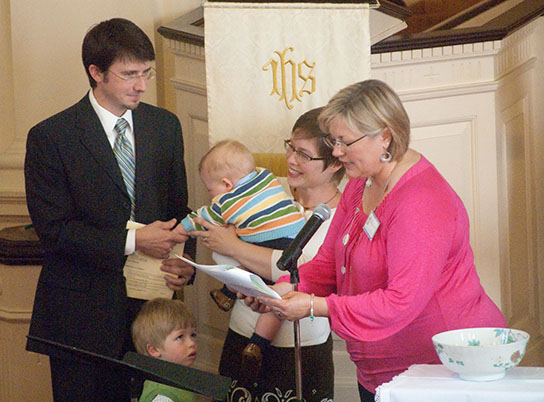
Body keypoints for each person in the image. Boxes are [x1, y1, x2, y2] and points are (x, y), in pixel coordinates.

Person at [251, 79, 507, 402]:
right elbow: (329, 264)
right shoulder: (361, 183)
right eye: (333, 140)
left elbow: (401, 301)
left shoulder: (421, 202)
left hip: (441, 370)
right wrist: (283, 291)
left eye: (345, 142)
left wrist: (316, 307)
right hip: (380, 371)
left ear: (384, 136)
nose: (336, 152)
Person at [24, 18, 195, 402]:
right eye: (129, 74)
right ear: (96, 72)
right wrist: (134, 241)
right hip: (81, 317)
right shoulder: (51, 137)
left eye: (146, 73)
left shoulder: (165, 126)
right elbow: (53, 231)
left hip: (153, 314)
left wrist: (188, 262)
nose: (141, 85)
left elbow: (178, 210)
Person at [189, 108, 344, 402]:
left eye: (304, 155)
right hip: (243, 330)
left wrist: (234, 246)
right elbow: (221, 243)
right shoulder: (266, 190)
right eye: (291, 147)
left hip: (302, 347)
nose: (292, 161)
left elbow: (297, 270)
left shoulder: (343, 215)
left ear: (335, 162)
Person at [173, 139, 306, 378]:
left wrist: (176, 233)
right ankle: (257, 342)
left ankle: (230, 297)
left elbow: (202, 217)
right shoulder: (267, 178)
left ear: (227, 184)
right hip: (294, 236)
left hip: (273, 243)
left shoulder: (227, 201)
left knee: (257, 282)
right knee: (277, 293)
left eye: (210, 189)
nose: (210, 195)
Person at [131, 298, 198, 402]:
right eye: (180, 337)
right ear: (153, 350)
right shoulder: (163, 395)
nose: (191, 343)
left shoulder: (178, 376)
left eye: (193, 335)